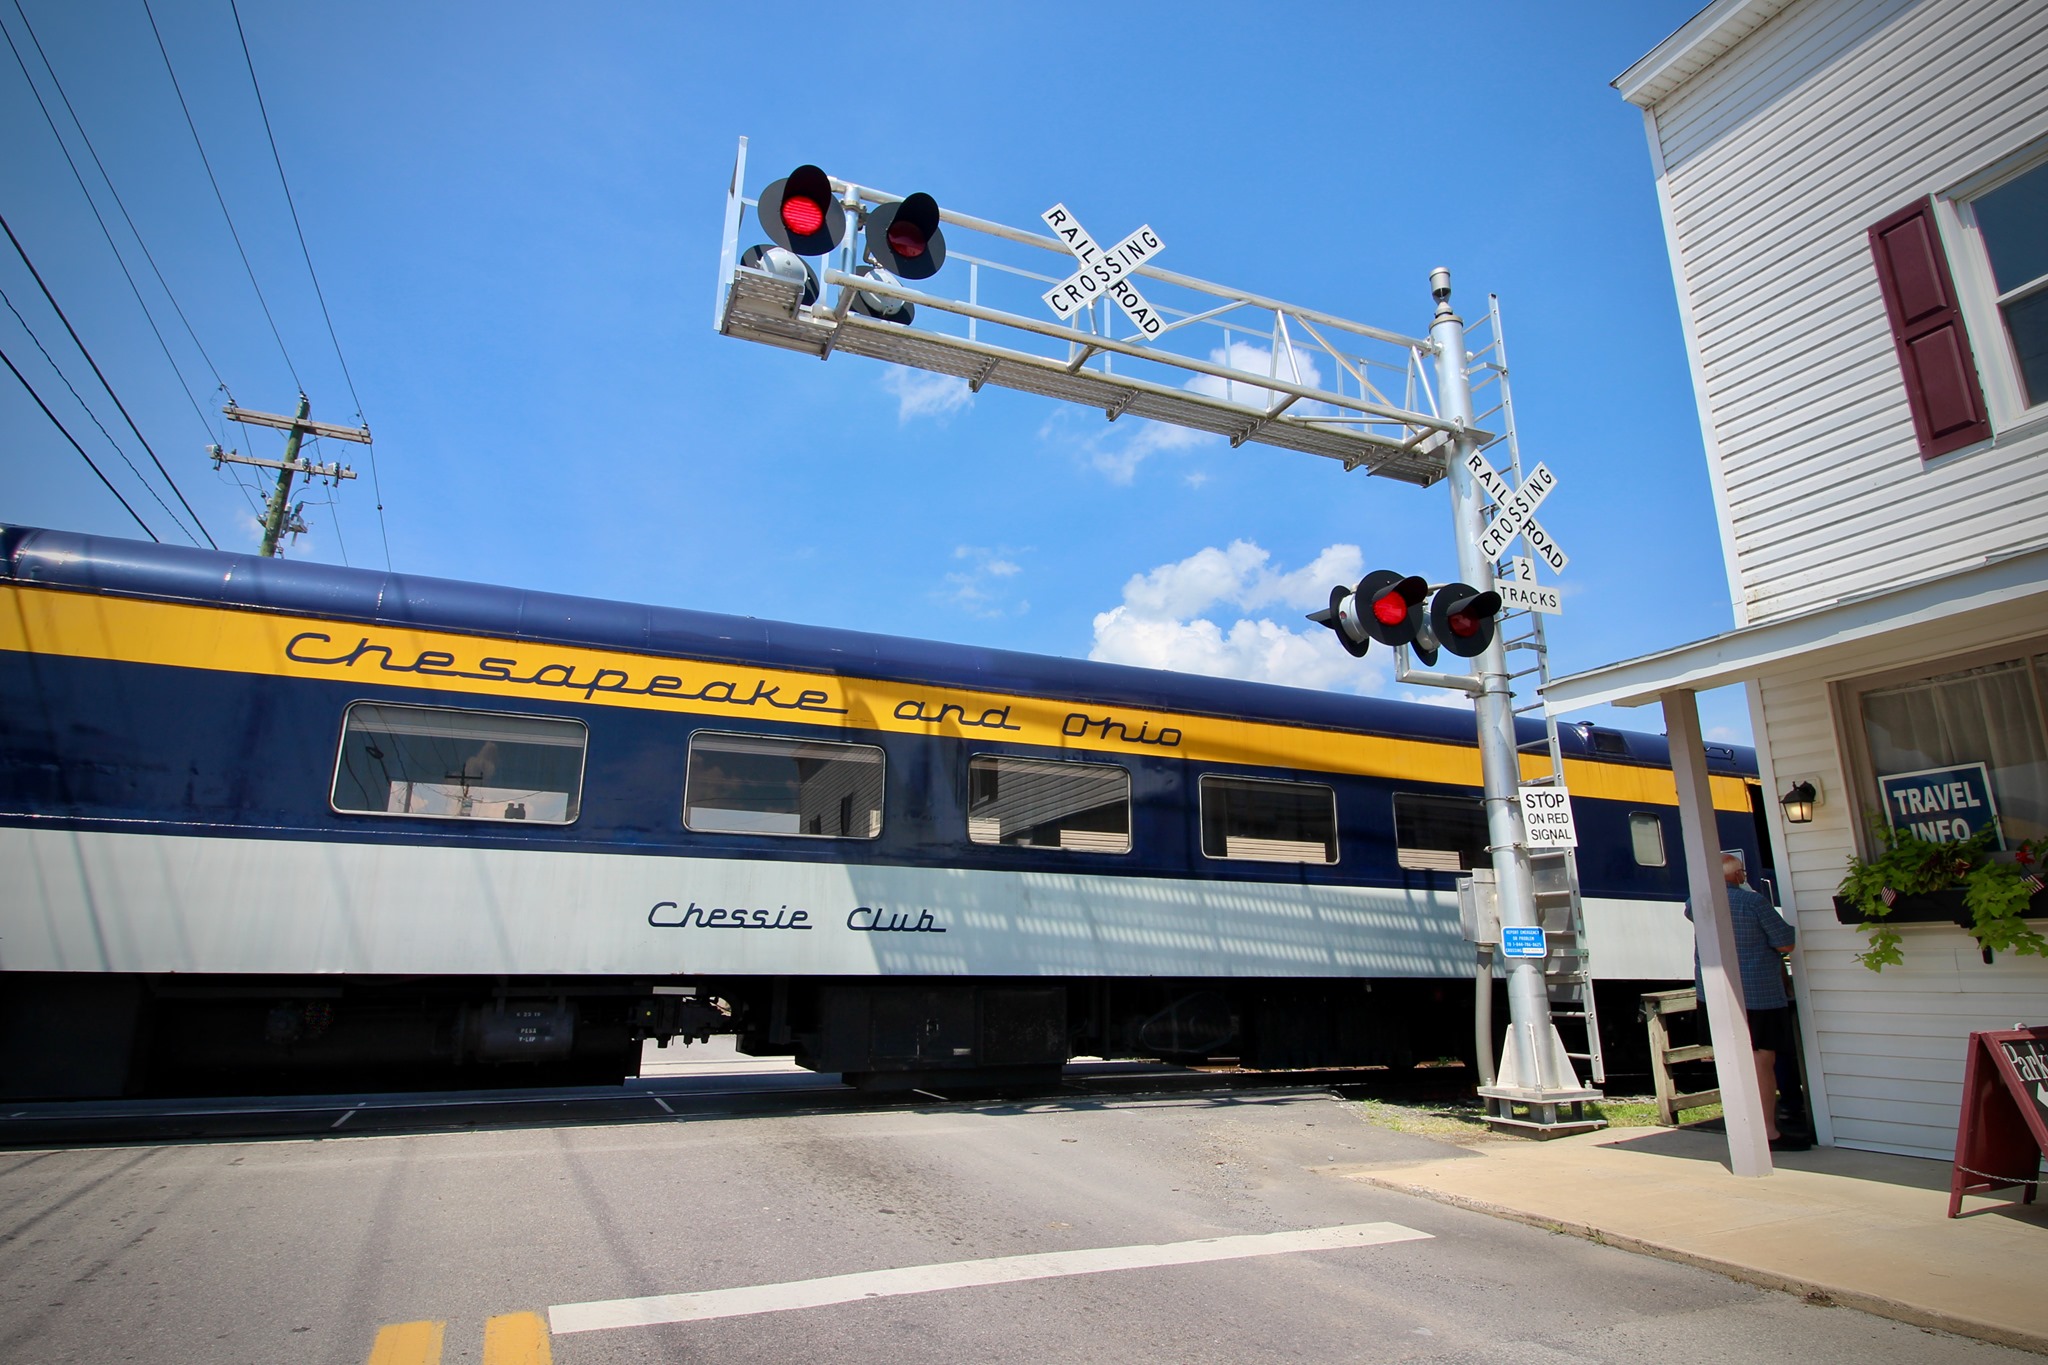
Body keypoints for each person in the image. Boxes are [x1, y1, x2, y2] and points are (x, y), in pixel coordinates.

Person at [1686, 851, 1805, 1151]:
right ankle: (1767, 1132)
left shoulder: (1696, 905)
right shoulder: (1754, 903)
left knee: (1731, 1061)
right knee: (1762, 1062)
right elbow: (1785, 942)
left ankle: (1740, 1128)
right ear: (1738, 876)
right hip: (1759, 996)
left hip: (1713, 995)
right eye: (1742, 873)